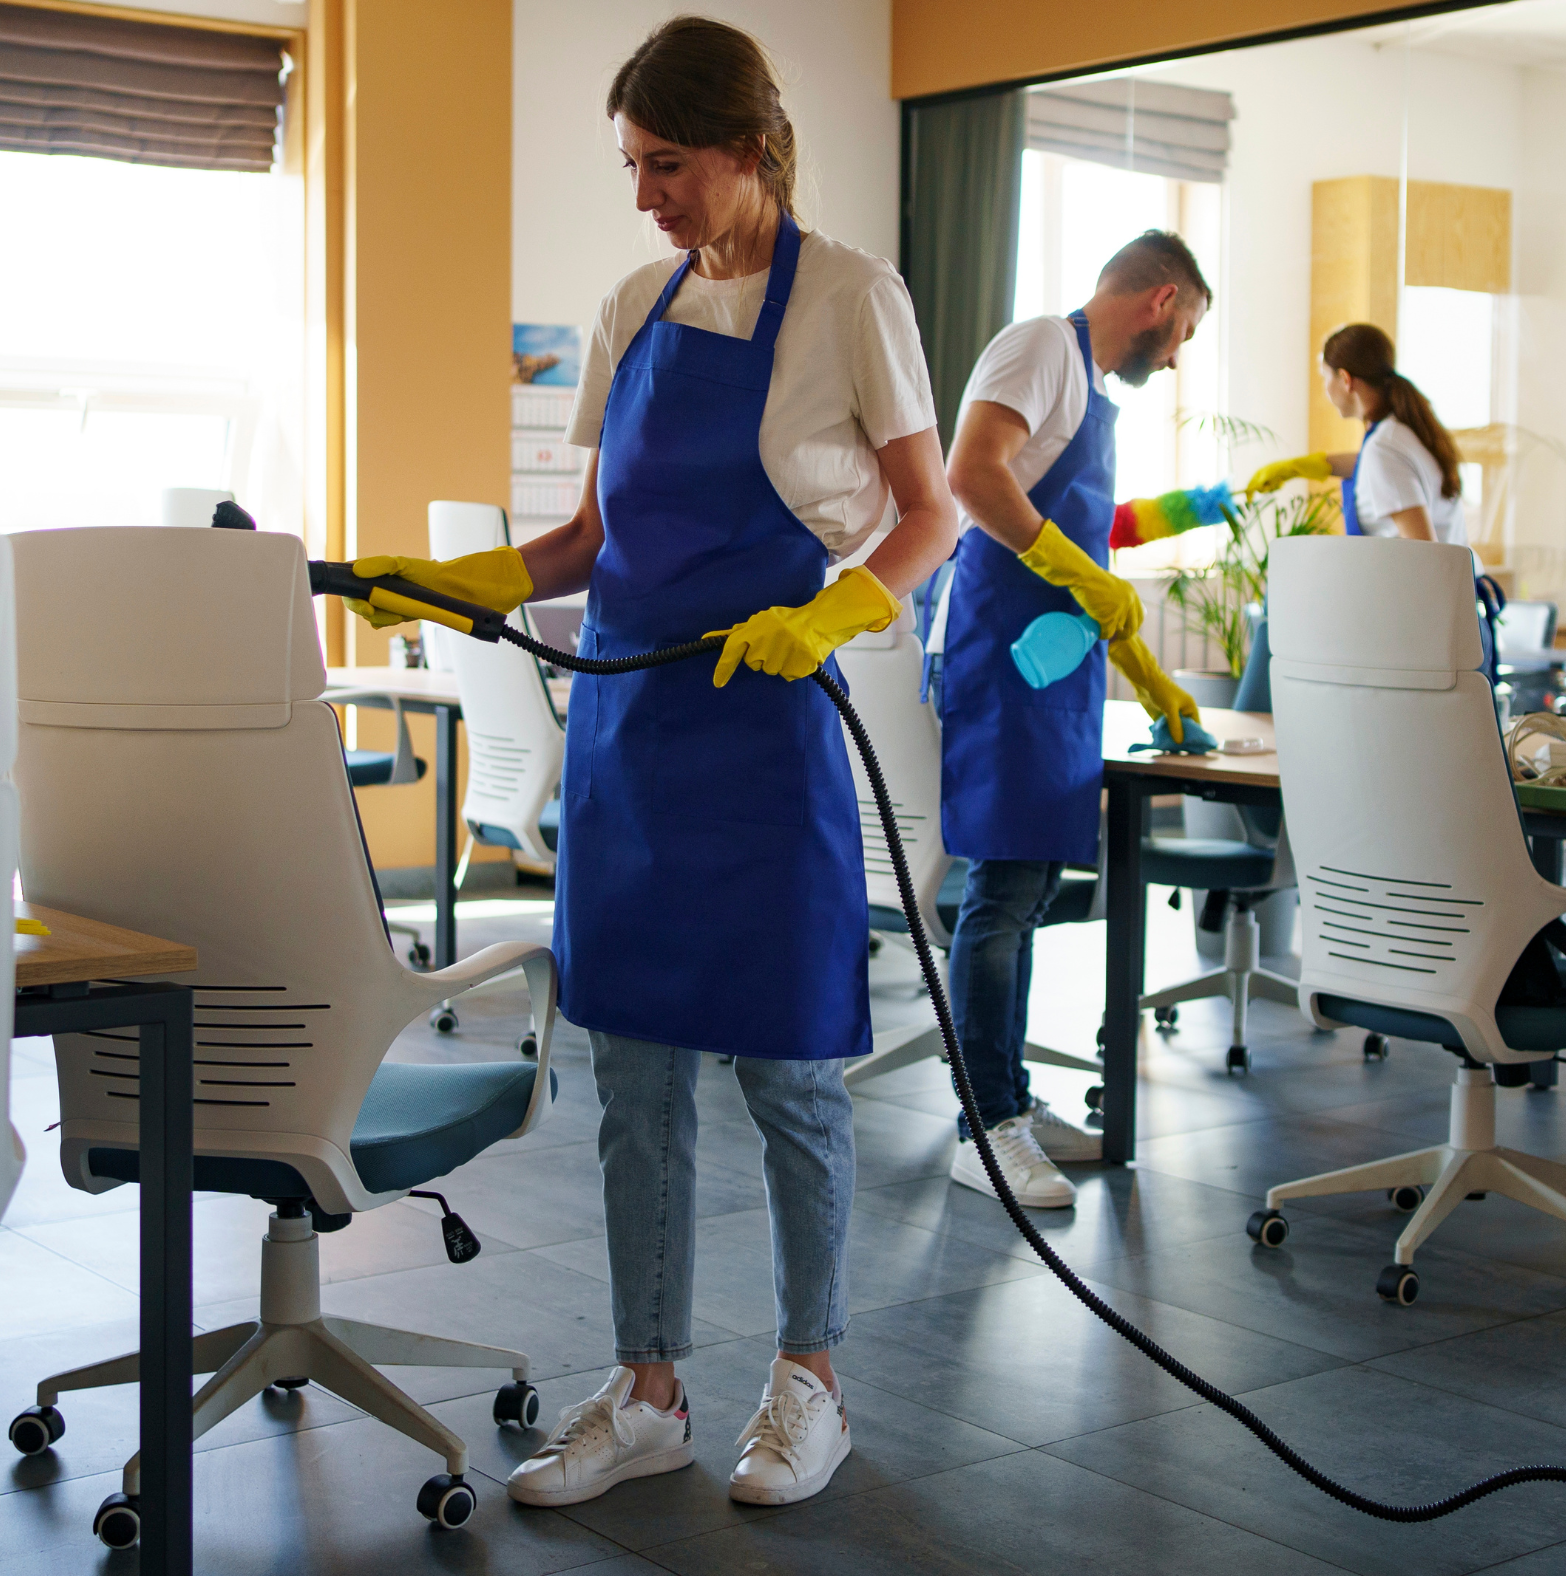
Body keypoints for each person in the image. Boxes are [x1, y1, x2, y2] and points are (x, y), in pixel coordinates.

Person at [343, 17, 955, 1511]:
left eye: (665, 165)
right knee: (634, 1085)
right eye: (631, 166)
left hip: (769, 736)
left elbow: (931, 515)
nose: (645, 198)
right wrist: (457, 577)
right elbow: (588, 540)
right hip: (631, 741)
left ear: (746, 147)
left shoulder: (856, 300)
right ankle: (651, 1390)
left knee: (794, 1078)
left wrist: (830, 618)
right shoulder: (631, 304)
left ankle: (811, 1386)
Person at [936, 232, 1209, 1209]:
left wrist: (1146, 668)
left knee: (1028, 888)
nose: (1176, 355)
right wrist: (1079, 572)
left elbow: (1086, 533)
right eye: (1183, 332)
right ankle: (984, 1126)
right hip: (1005, 661)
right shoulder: (1039, 347)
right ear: (1160, 296)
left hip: (1050, 670)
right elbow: (973, 475)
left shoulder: (1081, 384)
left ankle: (1005, 1100)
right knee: (1001, 895)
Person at [1248, 321, 1467, 547]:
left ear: (1345, 379)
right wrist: (1301, 466)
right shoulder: (1399, 433)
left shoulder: (1383, 449)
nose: (1325, 388)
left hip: (1434, 582)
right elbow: (1369, 465)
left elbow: (1425, 552)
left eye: (1325, 377)